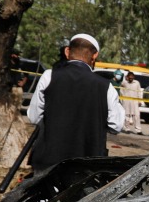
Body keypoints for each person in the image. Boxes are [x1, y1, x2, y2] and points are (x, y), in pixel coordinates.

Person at [27, 33, 125, 170]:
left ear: (67, 51)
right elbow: (116, 126)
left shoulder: (49, 76)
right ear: (95, 55)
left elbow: (34, 116)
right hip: (85, 167)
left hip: (48, 160)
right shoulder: (106, 87)